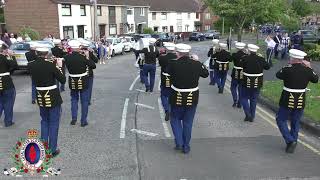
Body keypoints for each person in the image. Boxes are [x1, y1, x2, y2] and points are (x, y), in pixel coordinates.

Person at [276, 49, 318, 153]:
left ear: (293, 58)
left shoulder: (287, 69)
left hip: (287, 99)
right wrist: (309, 67)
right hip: (300, 99)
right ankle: (293, 141)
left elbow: (278, 75)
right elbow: (316, 79)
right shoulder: (307, 70)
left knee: (280, 119)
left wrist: (287, 65)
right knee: (295, 121)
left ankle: (290, 141)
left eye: (291, 58)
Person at [168, 44, 209, 154]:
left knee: (175, 120)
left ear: (178, 53)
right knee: (188, 122)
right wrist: (198, 62)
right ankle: (186, 146)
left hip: (177, 96)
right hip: (192, 97)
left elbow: (168, 73)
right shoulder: (196, 64)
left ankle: (179, 142)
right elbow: (206, 74)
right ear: (188, 53)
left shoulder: (173, 63)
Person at [28, 46, 66, 157]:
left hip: (40, 96)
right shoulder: (51, 65)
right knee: (54, 123)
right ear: (46, 53)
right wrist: (59, 67)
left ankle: (43, 147)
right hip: (52, 96)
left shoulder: (31, 65)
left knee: (44, 121)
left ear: (37, 52)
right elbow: (62, 80)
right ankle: (52, 149)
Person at [64, 40, 96, 127]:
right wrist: (87, 57)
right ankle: (83, 121)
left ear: (71, 48)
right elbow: (93, 66)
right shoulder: (83, 57)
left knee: (74, 100)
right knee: (84, 101)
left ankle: (74, 119)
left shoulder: (66, 57)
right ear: (79, 47)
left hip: (72, 80)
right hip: (83, 80)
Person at [240, 44, 270, 122]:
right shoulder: (261, 59)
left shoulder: (245, 58)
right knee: (254, 99)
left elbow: (240, 65)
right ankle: (252, 116)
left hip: (246, 81)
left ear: (249, 50)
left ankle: (248, 114)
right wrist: (263, 58)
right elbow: (267, 67)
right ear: (256, 51)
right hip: (257, 81)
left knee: (244, 98)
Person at [158, 42, 177, 121]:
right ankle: (172, 110)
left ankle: (167, 110)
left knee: (164, 95)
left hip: (165, 78)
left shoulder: (162, 58)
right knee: (174, 94)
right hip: (175, 78)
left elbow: (160, 64)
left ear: (166, 49)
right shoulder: (177, 57)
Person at [0, 44, 17, 127]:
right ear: (4, 50)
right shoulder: (4, 58)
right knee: (8, 102)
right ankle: (8, 121)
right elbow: (14, 65)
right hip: (6, 82)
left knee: (0, 102)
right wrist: (12, 56)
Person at [230, 42, 247, 108]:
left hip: (235, 72)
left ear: (237, 47)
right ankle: (240, 102)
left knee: (233, 87)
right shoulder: (245, 55)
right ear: (243, 48)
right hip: (243, 72)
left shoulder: (234, 54)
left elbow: (230, 60)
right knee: (241, 88)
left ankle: (235, 100)